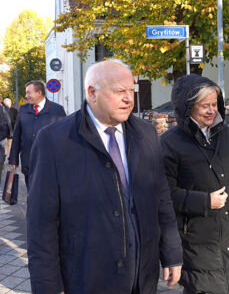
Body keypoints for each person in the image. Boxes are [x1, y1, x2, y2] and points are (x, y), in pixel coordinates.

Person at [27, 61, 182, 294]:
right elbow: (41, 223)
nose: (129, 98)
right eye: (120, 91)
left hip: (141, 275)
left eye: (132, 90)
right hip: (86, 277)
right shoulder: (54, 141)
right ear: (92, 93)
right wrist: (49, 286)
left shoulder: (146, 134)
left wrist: (171, 252)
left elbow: (161, 197)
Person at [160, 74, 229, 294]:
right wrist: (205, 201)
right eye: (204, 106)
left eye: (214, 105)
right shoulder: (169, 143)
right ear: (187, 107)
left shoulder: (226, 136)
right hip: (197, 238)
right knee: (207, 287)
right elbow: (164, 195)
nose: (211, 111)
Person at [8, 80, 66, 189]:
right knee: (31, 195)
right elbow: (17, 135)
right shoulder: (23, 109)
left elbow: (64, 137)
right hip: (28, 161)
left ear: (39, 92)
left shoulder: (56, 110)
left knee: (48, 195)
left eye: (29, 93)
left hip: (49, 163)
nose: (26, 96)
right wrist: (13, 159)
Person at [0, 95, 12, 182]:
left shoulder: (4, 109)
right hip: (4, 134)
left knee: (2, 152)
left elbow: (7, 122)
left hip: (2, 136)